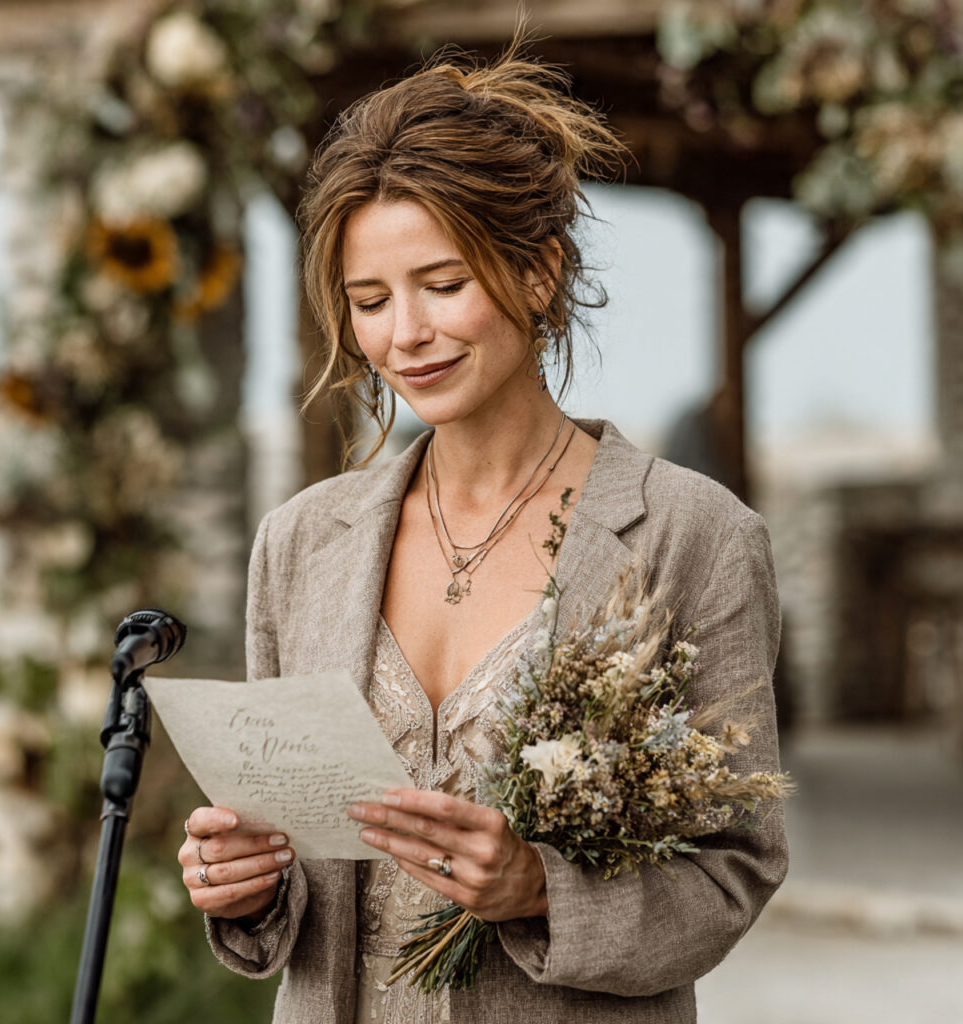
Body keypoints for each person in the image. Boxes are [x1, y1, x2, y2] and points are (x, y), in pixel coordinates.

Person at [176, 43, 787, 1024]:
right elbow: (292, 869)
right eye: (369, 302)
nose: (403, 333)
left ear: (537, 272)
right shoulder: (296, 543)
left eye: (441, 283)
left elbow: (733, 871)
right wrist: (244, 882)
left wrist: (541, 887)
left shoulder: (695, 536)